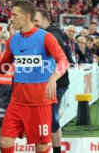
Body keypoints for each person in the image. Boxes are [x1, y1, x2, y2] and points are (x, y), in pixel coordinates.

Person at [0, 0, 69, 153]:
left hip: (41, 101)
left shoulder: (46, 37)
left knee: (41, 145)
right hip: (17, 101)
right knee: (4, 141)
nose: (11, 18)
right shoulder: (13, 40)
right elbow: (3, 68)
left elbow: (63, 60)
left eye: (15, 15)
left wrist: (53, 78)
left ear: (27, 16)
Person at [34, 8, 71, 153]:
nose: (34, 23)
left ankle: (55, 150)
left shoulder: (50, 34)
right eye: (33, 21)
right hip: (52, 82)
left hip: (55, 84)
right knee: (49, 120)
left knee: (51, 120)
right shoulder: (56, 31)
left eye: (37, 20)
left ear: (45, 19)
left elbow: (62, 59)